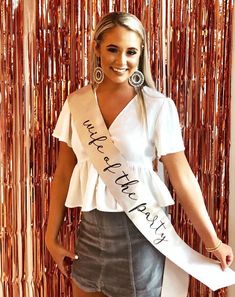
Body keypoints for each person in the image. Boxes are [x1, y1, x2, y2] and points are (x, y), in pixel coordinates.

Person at [45, 12, 233, 297]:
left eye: (130, 51)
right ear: (97, 48)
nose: (121, 61)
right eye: (112, 49)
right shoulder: (76, 104)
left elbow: (182, 179)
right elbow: (63, 173)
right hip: (89, 238)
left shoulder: (157, 106)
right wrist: (51, 237)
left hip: (140, 239)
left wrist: (213, 242)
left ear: (140, 53)